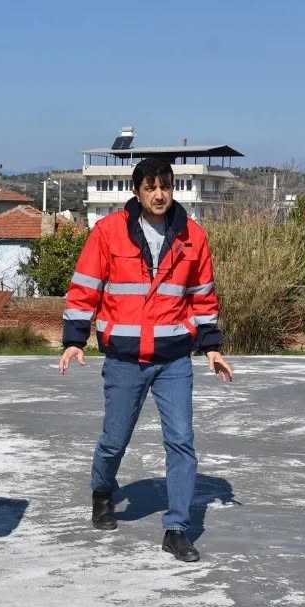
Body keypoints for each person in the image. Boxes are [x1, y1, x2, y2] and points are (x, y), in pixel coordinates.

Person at [59, 157, 233, 562]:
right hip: (126, 358)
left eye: (165, 186)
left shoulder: (192, 236)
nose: (159, 194)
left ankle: (177, 529)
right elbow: (85, 287)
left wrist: (211, 346)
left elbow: (203, 296)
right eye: (151, 187)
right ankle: (103, 490)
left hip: (174, 359)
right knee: (114, 440)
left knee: (181, 441)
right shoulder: (108, 232)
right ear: (137, 191)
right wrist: (74, 339)